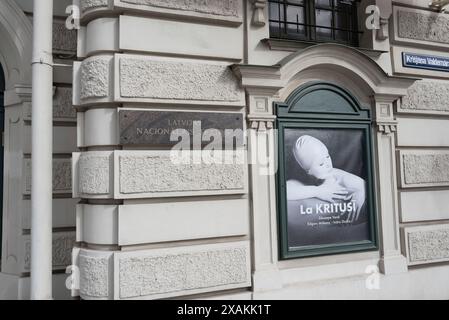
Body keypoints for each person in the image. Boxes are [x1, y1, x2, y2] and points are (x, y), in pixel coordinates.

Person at [286, 135, 366, 222]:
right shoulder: (299, 181)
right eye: (321, 164)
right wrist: (318, 191)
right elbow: (284, 192)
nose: (328, 164)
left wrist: (361, 192)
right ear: (308, 171)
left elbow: (364, 185)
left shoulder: (337, 177)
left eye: (327, 156)